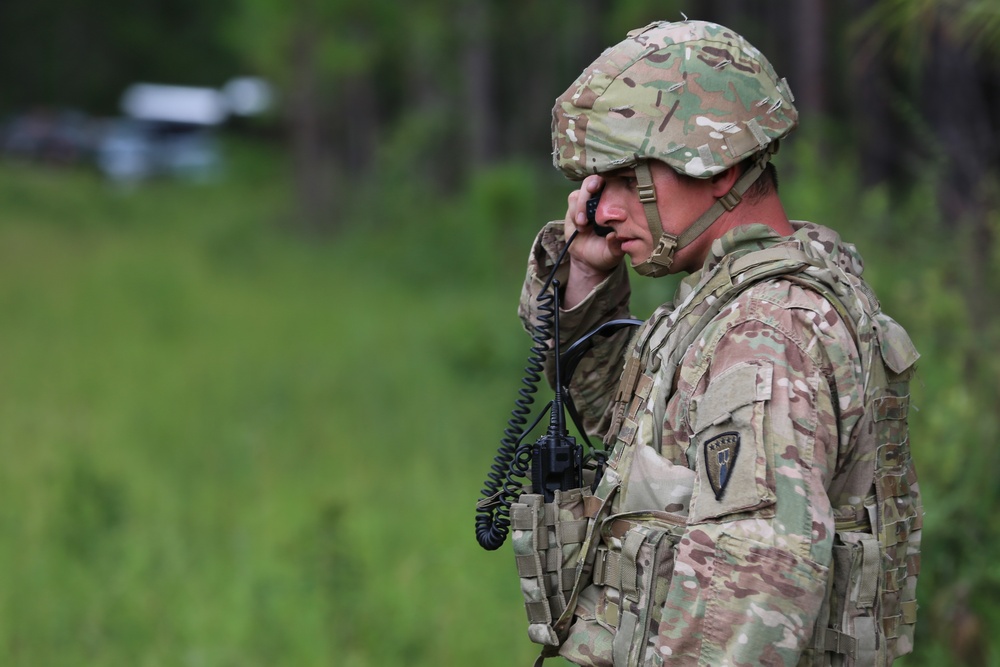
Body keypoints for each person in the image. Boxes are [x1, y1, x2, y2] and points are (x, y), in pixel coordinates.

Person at [511, 20, 922, 666]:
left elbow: (748, 607)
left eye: (626, 178)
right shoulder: (734, 303)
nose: (603, 209)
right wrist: (585, 279)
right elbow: (631, 428)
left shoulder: (768, 337)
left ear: (719, 164)